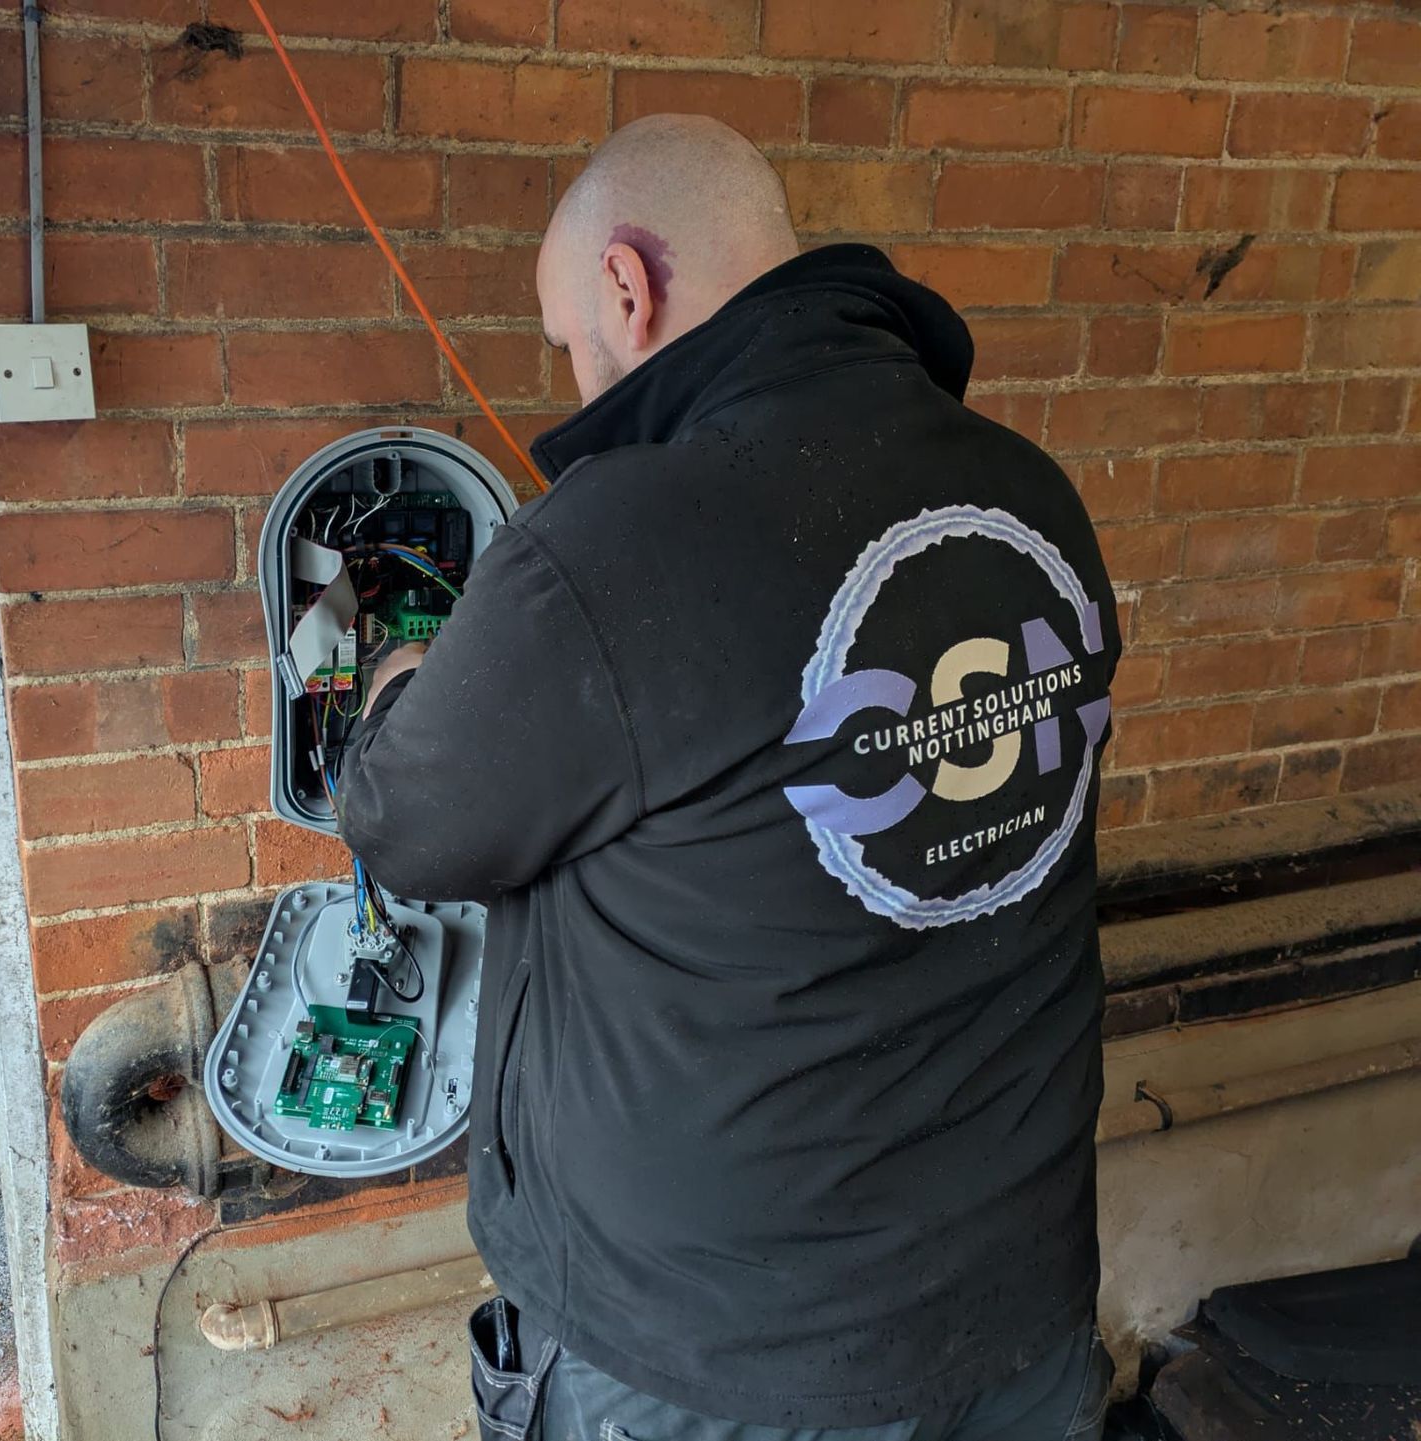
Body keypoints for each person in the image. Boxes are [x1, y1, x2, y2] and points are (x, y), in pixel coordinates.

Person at [335, 114, 1120, 1441]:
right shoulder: (1031, 500)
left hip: (718, 1370)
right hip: (1019, 1321)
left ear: (629, 290)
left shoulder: (617, 538)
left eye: (573, 341)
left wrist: (401, 669)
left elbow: (399, 817)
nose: (579, 383)